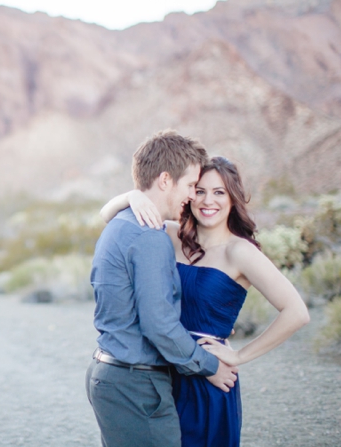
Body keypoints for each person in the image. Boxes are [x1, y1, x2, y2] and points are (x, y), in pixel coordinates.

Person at [99, 155, 310, 447]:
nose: (208, 201)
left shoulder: (240, 252)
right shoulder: (172, 235)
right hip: (164, 371)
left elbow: (297, 312)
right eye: (200, 191)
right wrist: (132, 195)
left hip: (207, 377)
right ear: (189, 195)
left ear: (233, 198)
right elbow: (110, 217)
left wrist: (239, 356)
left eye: (219, 192)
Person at [86, 130, 238, 447]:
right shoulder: (149, 236)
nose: (194, 196)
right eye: (191, 186)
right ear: (166, 180)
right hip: (136, 387)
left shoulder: (123, 222)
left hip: (114, 377)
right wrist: (211, 367)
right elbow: (158, 325)